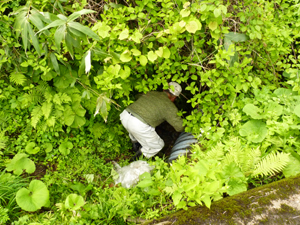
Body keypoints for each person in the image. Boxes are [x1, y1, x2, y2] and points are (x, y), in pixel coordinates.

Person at [120, 82, 184, 161]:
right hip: (138, 125)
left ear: (164, 89)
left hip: (125, 115)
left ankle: (136, 148)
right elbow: (179, 127)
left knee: (134, 133)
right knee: (157, 146)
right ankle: (134, 161)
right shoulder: (169, 106)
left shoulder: (151, 93)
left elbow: (137, 96)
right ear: (174, 98)